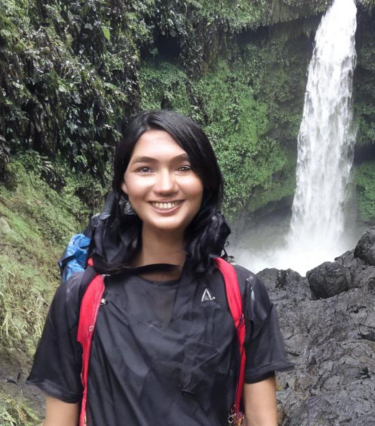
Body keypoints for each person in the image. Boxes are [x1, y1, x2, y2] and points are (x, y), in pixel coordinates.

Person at [28, 110, 292, 426]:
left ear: (205, 179)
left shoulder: (243, 293)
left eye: (183, 167)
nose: (165, 186)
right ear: (124, 183)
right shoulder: (79, 298)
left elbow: (264, 421)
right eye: (145, 169)